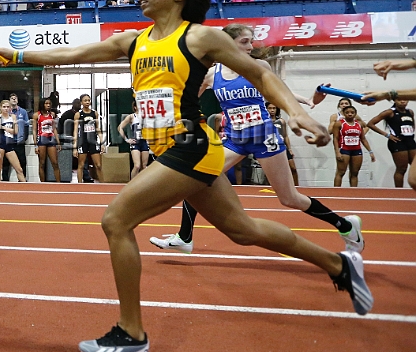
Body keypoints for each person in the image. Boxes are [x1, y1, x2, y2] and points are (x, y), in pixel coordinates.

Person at [0, 0, 372, 352]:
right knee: (242, 230)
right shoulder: (131, 41)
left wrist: (295, 112)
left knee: (115, 220)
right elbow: (68, 54)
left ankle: (131, 332)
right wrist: (16, 54)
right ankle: (338, 264)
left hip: (189, 144)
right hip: (173, 149)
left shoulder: (199, 36)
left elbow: (259, 71)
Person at [150, 23, 363, 256]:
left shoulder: (259, 66)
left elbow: (281, 92)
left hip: (263, 136)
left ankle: (345, 225)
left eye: (251, 41)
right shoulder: (212, 75)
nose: (251, 47)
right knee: (197, 177)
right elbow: (185, 99)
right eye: (244, 42)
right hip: (235, 139)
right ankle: (184, 236)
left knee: (289, 198)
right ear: (227, 44)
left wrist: (312, 100)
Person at [366, 98, 415, 188]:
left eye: (405, 100)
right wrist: (387, 135)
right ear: (395, 101)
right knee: (402, 168)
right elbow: (370, 124)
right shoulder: (389, 112)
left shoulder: (410, 112)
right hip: (397, 142)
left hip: (410, 142)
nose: (402, 101)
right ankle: (399, 191)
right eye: (400, 100)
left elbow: (411, 124)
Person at [333, 105, 374, 187]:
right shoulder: (339, 123)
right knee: (341, 172)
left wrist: (370, 151)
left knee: (354, 173)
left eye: (352, 112)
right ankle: (336, 192)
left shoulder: (359, 124)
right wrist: (337, 152)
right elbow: (335, 138)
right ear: (344, 114)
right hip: (344, 150)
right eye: (347, 112)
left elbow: (363, 139)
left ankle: (353, 193)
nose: (350, 114)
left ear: (355, 114)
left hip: (356, 150)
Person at [0, 99, 26, 182]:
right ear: (0, 108)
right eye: (4, 107)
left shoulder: (13, 117)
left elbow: (15, 131)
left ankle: (25, 187)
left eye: (8, 107)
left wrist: (4, 127)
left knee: (19, 169)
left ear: (10, 108)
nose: (6, 108)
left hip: (10, 145)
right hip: (1, 144)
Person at [74, 93, 104, 183]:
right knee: (81, 165)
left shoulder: (94, 113)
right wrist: (74, 147)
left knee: (98, 165)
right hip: (83, 141)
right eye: (85, 101)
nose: (87, 102)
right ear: (81, 102)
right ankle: (79, 185)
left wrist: (102, 142)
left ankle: (103, 185)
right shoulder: (78, 114)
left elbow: (98, 128)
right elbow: (75, 130)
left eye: (88, 100)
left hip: (93, 141)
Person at [267, 102, 298, 186]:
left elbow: (285, 136)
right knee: (272, 172)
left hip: (282, 147)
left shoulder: (281, 121)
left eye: (274, 108)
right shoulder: (264, 122)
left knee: (293, 168)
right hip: (270, 148)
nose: (272, 110)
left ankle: (297, 187)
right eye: (270, 108)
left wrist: (290, 149)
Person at [118, 101, 149, 180]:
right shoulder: (132, 116)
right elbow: (120, 127)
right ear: (135, 107)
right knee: (137, 165)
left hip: (145, 141)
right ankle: (132, 183)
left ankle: (142, 184)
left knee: (144, 166)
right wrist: (126, 139)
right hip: (135, 142)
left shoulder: (147, 116)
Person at [2, 93, 29, 181]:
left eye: (15, 98)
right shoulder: (6, 112)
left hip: (19, 141)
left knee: (22, 163)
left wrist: (24, 138)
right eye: (12, 98)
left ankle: (22, 182)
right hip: (8, 141)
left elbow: (26, 126)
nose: (14, 99)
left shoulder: (23, 112)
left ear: (17, 100)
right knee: (5, 163)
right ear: (9, 100)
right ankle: (5, 181)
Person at [33, 98, 61, 182]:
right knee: (42, 163)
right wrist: (35, 145)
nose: (48, 105)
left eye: (49, 103)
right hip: (41, 139)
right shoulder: (36, 115)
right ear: (42, 104)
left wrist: (58, 142)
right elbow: (34, 130)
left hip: (51, 139)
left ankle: (59, 183)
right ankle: (43, 183)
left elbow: (54, 129)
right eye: (46, 103)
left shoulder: (52, 114)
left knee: (55, 163)